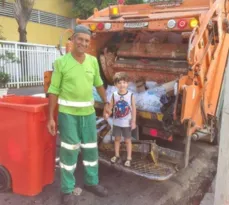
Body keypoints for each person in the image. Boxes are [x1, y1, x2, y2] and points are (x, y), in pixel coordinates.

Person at [47, 25, 110, 205]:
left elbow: (98, 84)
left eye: (86, 41)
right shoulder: (61, 62)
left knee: (91, 149)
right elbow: (53, 90)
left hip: (88, 115)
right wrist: (51, 117)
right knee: (69, 152)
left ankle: (91, 182)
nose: (83, 43)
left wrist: (106, 102)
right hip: (68, 115)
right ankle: (67, 190)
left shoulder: (92, 61)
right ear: (73, 40)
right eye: (80, 39)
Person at [105, 72, 136, 167]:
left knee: (127, 140)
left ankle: (129, 158)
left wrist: (133, 121)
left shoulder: (130, 95)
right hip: (117, 122)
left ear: (128, 83)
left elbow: (134, 109)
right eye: (119, 83)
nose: (122, 85)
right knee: (117, 139)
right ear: (115, 85)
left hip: (126, 123)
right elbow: (110, 107)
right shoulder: (114, 95)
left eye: (124, 82)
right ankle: (117, 155)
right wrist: (107, 114)